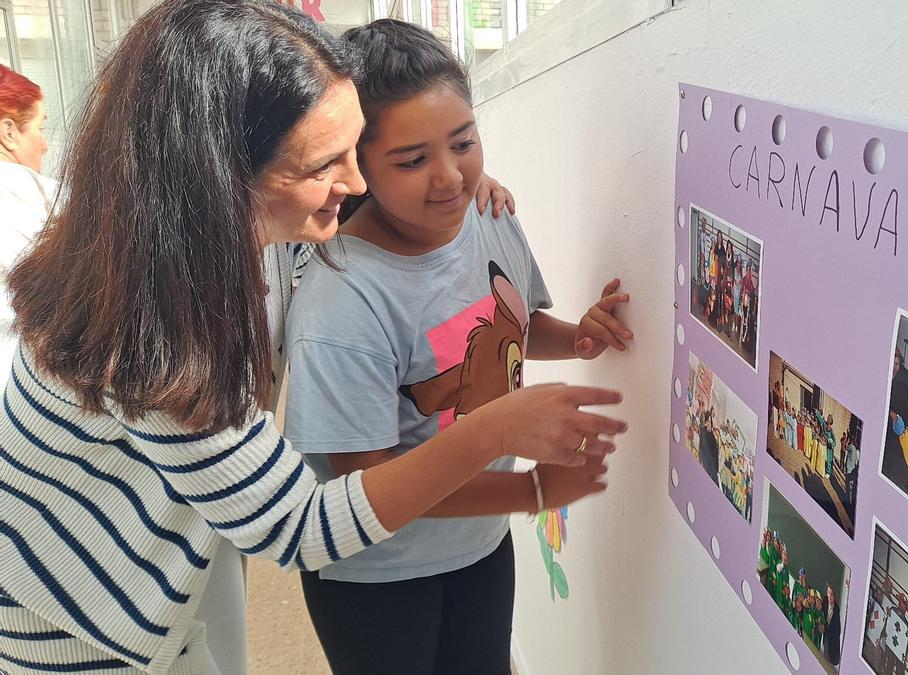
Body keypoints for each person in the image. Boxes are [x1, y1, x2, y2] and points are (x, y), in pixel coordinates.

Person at [0, 2, 627, 673]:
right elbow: (300, 524)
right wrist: (500, 440)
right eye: (329, 162)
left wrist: (449, 182)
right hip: (77, 616)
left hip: (162, 571)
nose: (356, 183)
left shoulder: (243, 234)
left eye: (358, 152)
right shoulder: (156, 327)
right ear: (227, 173)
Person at [279, 19, 632, 673]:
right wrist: (531, 494)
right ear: (357, 166)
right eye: (412, 160)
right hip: (376, 576)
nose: (449, 177)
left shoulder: (490, 218)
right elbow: (366, 488)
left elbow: (515, 330)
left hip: (477, 545)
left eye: (463, 143)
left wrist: (577, 338)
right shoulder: (341, 301)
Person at [0, 64, 54, 385]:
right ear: (8, 133)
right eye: (40, 128)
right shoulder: (23, 191)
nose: (45, 144)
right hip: (20, 382)